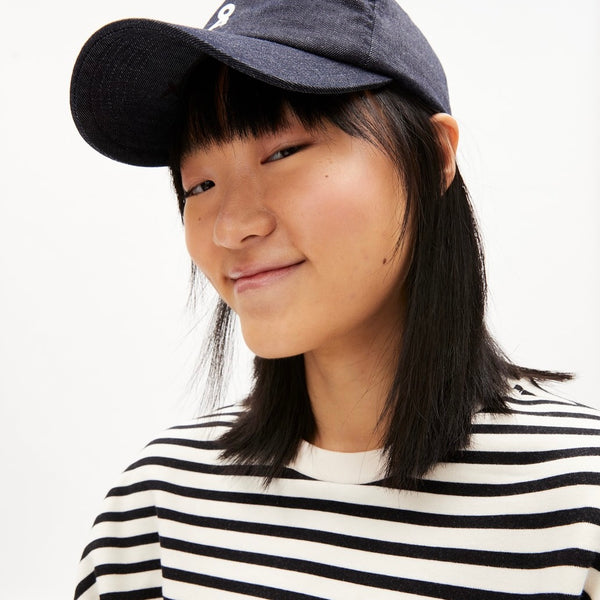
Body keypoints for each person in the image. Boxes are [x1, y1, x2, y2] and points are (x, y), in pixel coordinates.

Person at [70, 1, 600, 598]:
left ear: (434, 156)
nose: (230, 226)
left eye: (282, 152)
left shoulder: (578, 497)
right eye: (200, 184)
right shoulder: (159, 503)